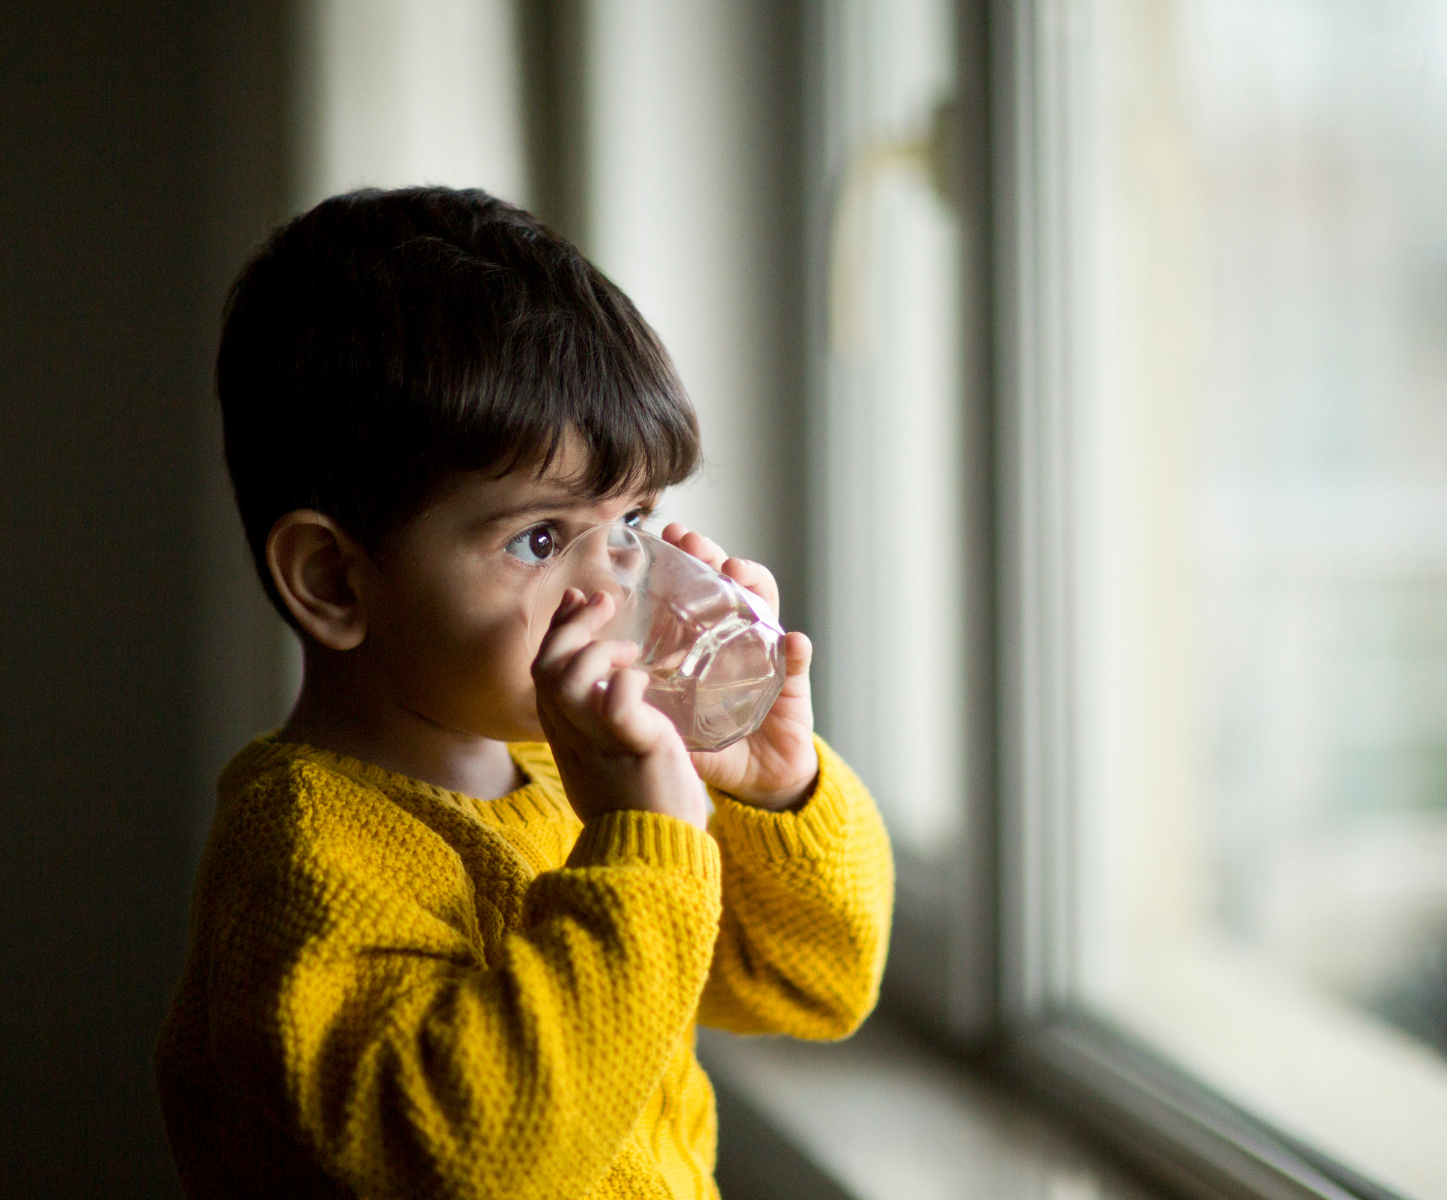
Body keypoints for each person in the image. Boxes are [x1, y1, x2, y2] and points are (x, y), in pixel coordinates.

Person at [155, 186, 894, 1199]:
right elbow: (472, 1159)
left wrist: (769, 791)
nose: (610, 585)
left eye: (632, 520)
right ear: (334, 579)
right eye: (540, 538)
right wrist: (643, 850)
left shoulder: (568, 773)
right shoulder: (301, 864)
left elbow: (815, 981)